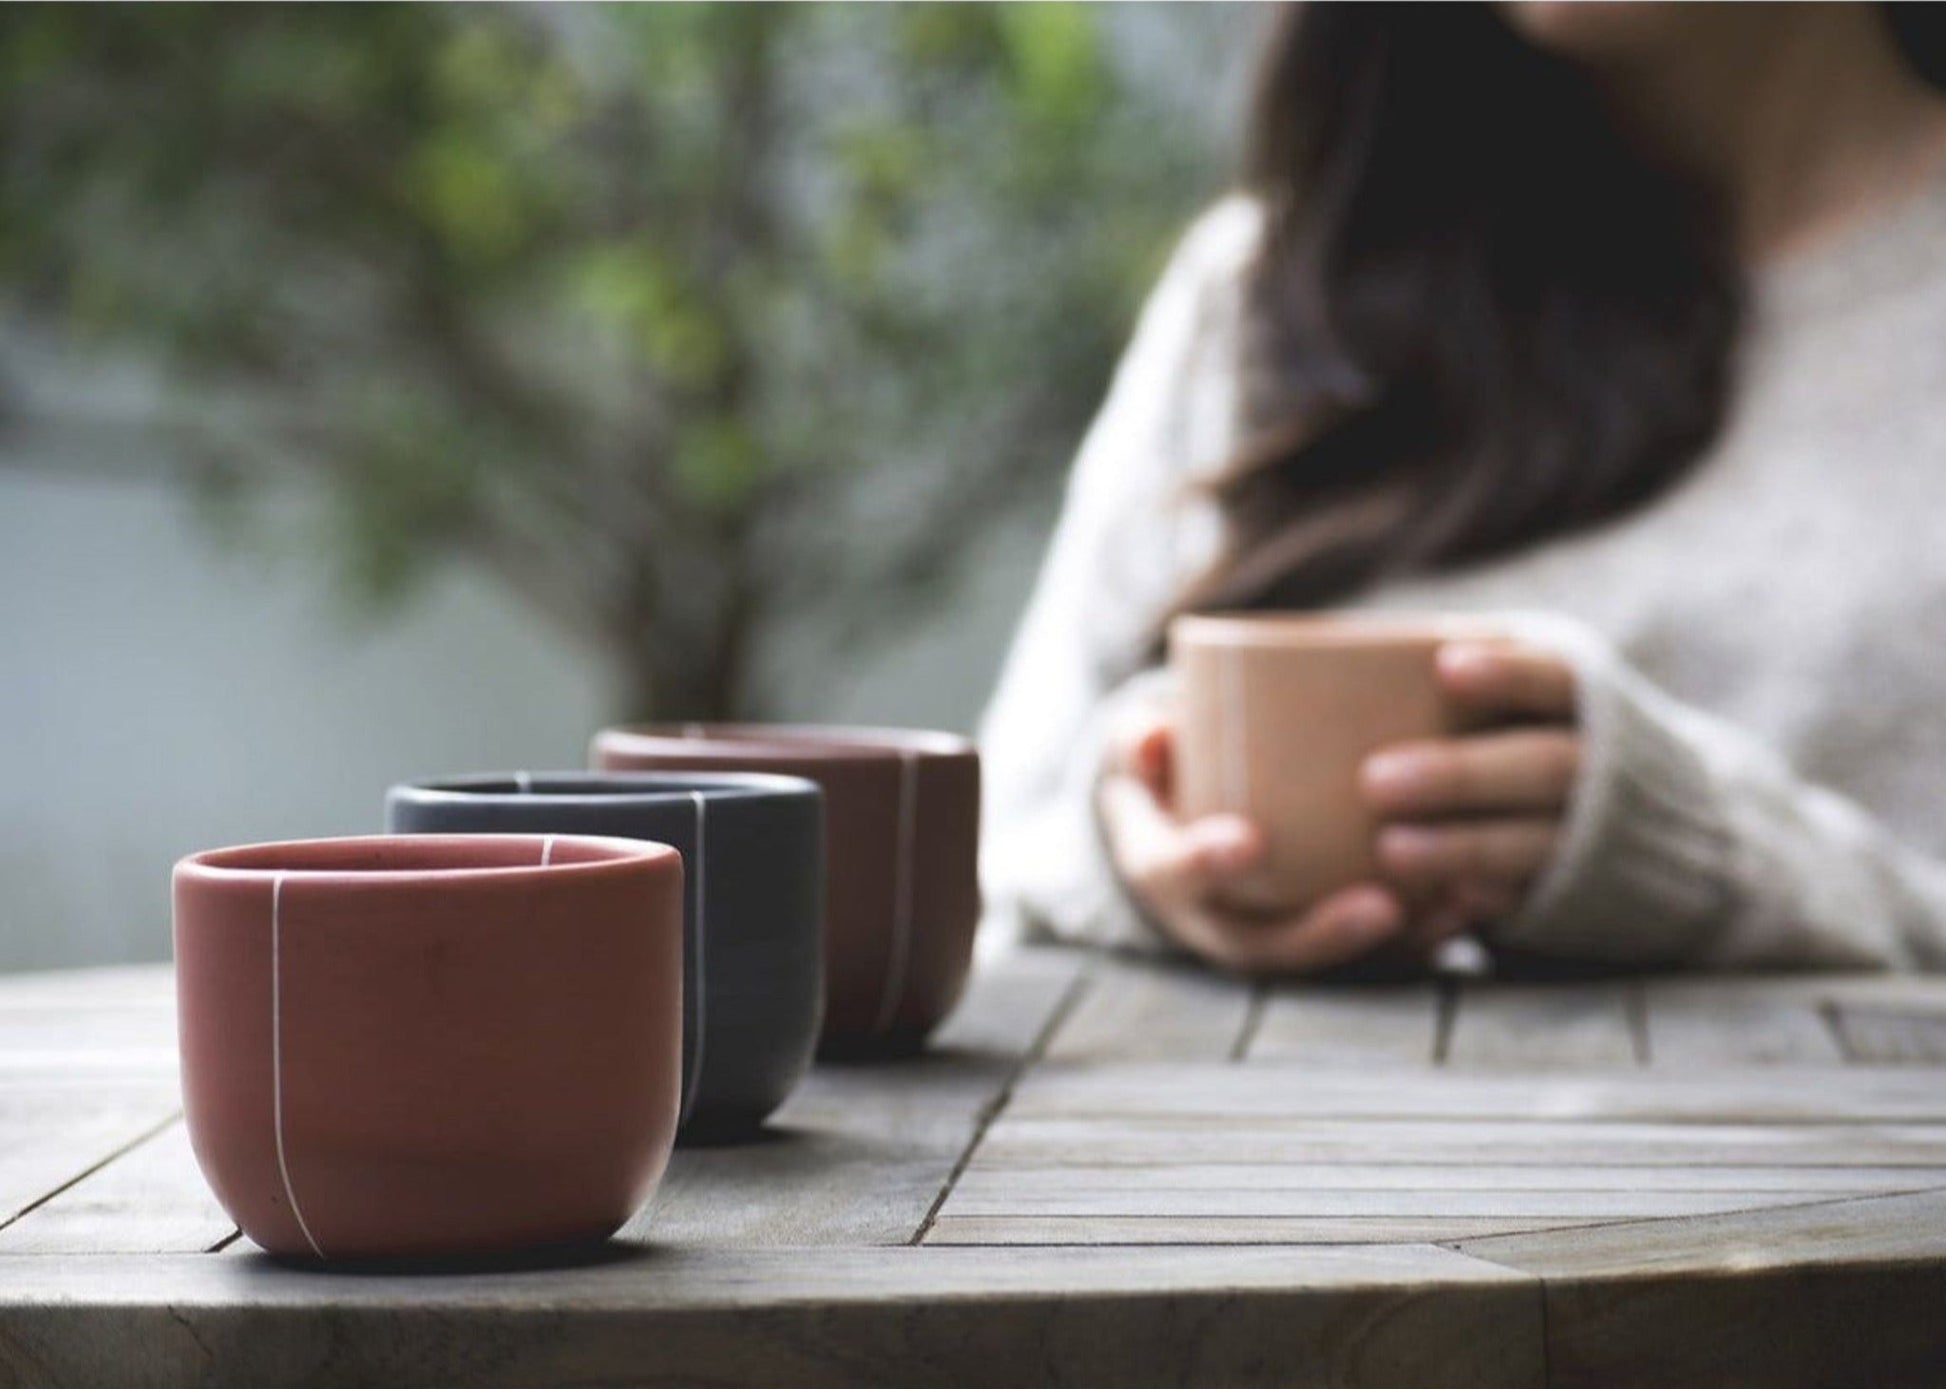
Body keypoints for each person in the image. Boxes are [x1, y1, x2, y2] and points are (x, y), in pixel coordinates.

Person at [978, 2, 1946, 976]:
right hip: (1253, 1128)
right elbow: (993, 856)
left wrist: (1713, 863)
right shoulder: (1272, 296)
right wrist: (1134, 856)